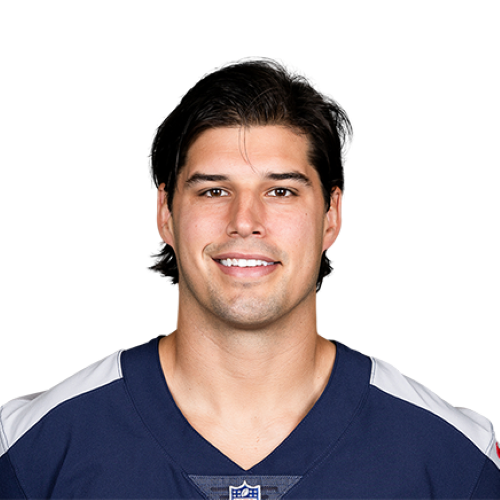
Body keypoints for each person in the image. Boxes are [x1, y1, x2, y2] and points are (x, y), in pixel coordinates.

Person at [1, 56, 498, 499]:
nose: (244, 221)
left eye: (281, 191)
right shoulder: (30, 447)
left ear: (331, 216)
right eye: (213, 191)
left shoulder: (454, 455)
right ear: (165, 213)